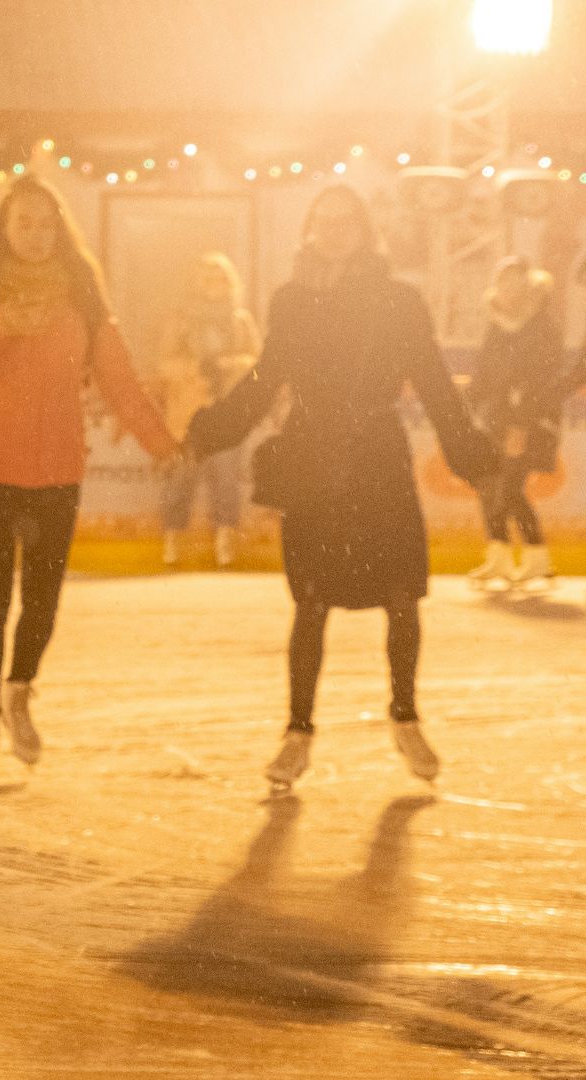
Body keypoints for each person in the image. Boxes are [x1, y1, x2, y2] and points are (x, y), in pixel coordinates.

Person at [184, 185, 495, 794]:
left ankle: (405, 717)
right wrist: (214, 429)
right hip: (314, 456)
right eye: (324, 222)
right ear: (309, 230)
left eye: (346, 221)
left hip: (378, 455)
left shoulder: (400, 301)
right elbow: (266, 375)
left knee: (402, 594)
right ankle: (297, 733)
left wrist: (471, 453)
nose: (334, 231)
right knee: (313, 601)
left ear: (365, 230)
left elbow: (433, 380)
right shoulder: (292, 301)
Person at [0, 175, 177, 780]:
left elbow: (119, 380)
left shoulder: (82, 295)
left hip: (55, 467)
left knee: (42, 601)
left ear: (60, 229)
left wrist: (159, 441)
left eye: (46, 223)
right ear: (6, 228)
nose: (36, 235)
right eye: (24, 223)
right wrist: (0, 327)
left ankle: (19, 691)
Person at [155, 252, 263, 569]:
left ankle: (225, 541)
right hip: (190, 412)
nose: (215, 284)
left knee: (227, 479)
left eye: (221, 277)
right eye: (208, 277)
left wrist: (227, 366)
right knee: (181, 477)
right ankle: (172, 538)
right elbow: (164, 363)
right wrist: (196, 369)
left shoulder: (240, 320)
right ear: (195, 283)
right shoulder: (180, 319)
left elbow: (257, 361)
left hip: (227, 413)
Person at [463, 256, 565, 590]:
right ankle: (500, 558)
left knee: (509, 489)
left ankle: (537, 559)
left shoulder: (541, 327)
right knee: (489, 487)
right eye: (504, 281)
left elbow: (540, 381)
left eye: (516, 281)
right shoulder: (498, 326)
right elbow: (483, 375)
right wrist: (464, 412)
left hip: (529, 422)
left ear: (528, 285)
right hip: (495, 420)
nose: (509, 288)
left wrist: (521, 426)